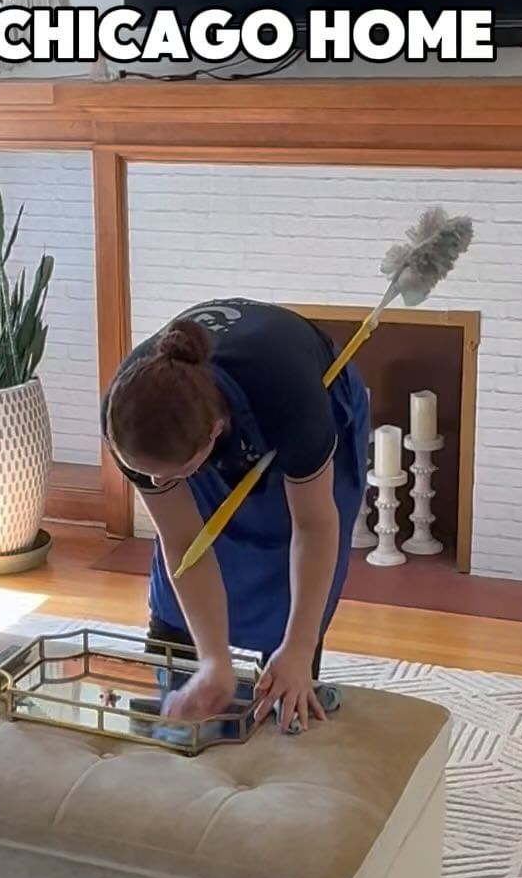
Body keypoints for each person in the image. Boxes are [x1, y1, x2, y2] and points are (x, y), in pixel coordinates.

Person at [101, 299, 370, 735]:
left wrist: (299, 647)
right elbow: (185, 542)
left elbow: (315, 525)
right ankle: (196, 668)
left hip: (296, 391)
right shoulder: (127, 417)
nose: (153, 481)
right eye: (144, 471)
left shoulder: (294, 405)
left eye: (167, 474)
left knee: (288, 586)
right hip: (189, 430)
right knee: (186, 584)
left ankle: (291, 678)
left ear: (214, 433)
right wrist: (214, 659)